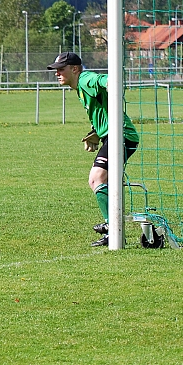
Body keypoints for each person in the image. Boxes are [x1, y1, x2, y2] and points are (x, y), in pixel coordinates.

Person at [47, 52, 140, 247]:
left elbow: (103, 80)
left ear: (75, 69)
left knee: (96, 178)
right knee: (104, 181)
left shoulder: (85, 79)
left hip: (121, 135)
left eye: (60, 69)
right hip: (113, 135)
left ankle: (112, 229)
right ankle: (114, 230)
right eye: (55, 70)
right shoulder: (79, 87)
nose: (57, 73)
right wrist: (97, 133)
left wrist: (110, 82)